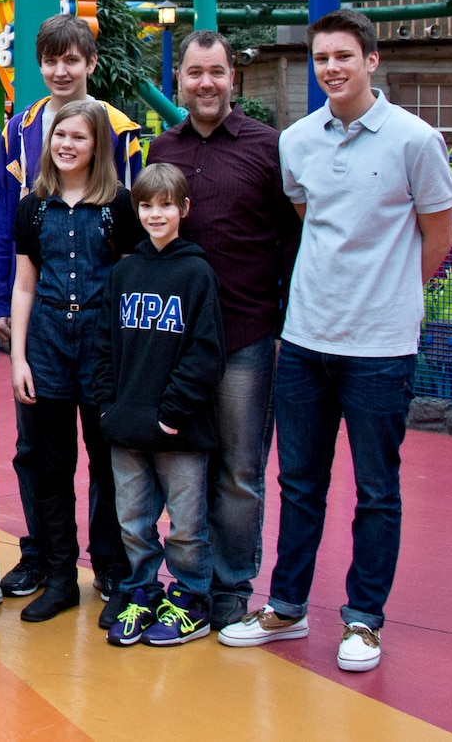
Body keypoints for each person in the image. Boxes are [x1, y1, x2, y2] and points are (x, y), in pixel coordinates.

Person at [218, 8, 452, 673]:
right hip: (306, 338)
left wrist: (393, 294)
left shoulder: (414, 140)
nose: (332, 68)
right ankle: (286, 605)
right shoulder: (297, 141)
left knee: (377, 487)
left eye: (344, 56)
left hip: (381, 346)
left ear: (371, 60)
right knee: (298, 481)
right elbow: (306, 214)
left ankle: (364, 619)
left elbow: (437, 234)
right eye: (322, 58)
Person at [144, 31, 299, 628]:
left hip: (245, 334)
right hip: (175, 340)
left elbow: (292, 238)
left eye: (216, 71)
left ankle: (233, 583)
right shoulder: (164, 147)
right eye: (193, 73)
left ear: (234, 76)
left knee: (239, 468)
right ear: (178, 80)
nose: (205, 83)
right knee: (181, 463)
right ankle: (190, 581)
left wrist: (285, 318)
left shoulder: (269, 148)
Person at [0, 15, 143, 600]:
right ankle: (44, 556)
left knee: (108, 454)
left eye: (71, 60)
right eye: (51, 60)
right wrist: (0, 295)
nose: (60, 70)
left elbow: (134, 229)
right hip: (43, 315)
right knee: (38, 451)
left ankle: (109, 563)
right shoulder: (20, 127)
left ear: (90, 64)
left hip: (103, 325)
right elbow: (5, 215)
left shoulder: (121, 129)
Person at [92, 163, 224, 649]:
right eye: (147, 205)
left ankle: (191, 600)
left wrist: (171, 411)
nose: (156, 213)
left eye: (166, 204)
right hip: (126, 426)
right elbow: (104, 345)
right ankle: (141, 592)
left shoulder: (197, 273)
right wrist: (108, 406)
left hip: (179, 429)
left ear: (184, 209)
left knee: (187, 526)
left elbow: (205, 353)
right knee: (133, 521)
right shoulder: (124, 272)